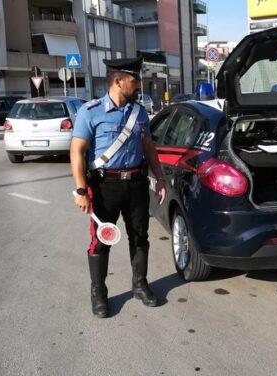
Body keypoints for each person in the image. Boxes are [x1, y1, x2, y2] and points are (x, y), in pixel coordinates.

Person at [70, 56, 167, 318]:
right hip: (104, 187)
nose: (139, 86)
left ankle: (140, 285)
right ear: (118, 81)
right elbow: (77, 152)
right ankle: (99, 292)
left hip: (135, 184)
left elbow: (149, 148)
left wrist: (159, 178)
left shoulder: (139, 112)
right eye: (134, 81)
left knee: (140, 237)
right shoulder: (90, 111)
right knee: (101, 241)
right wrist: (81, 190)